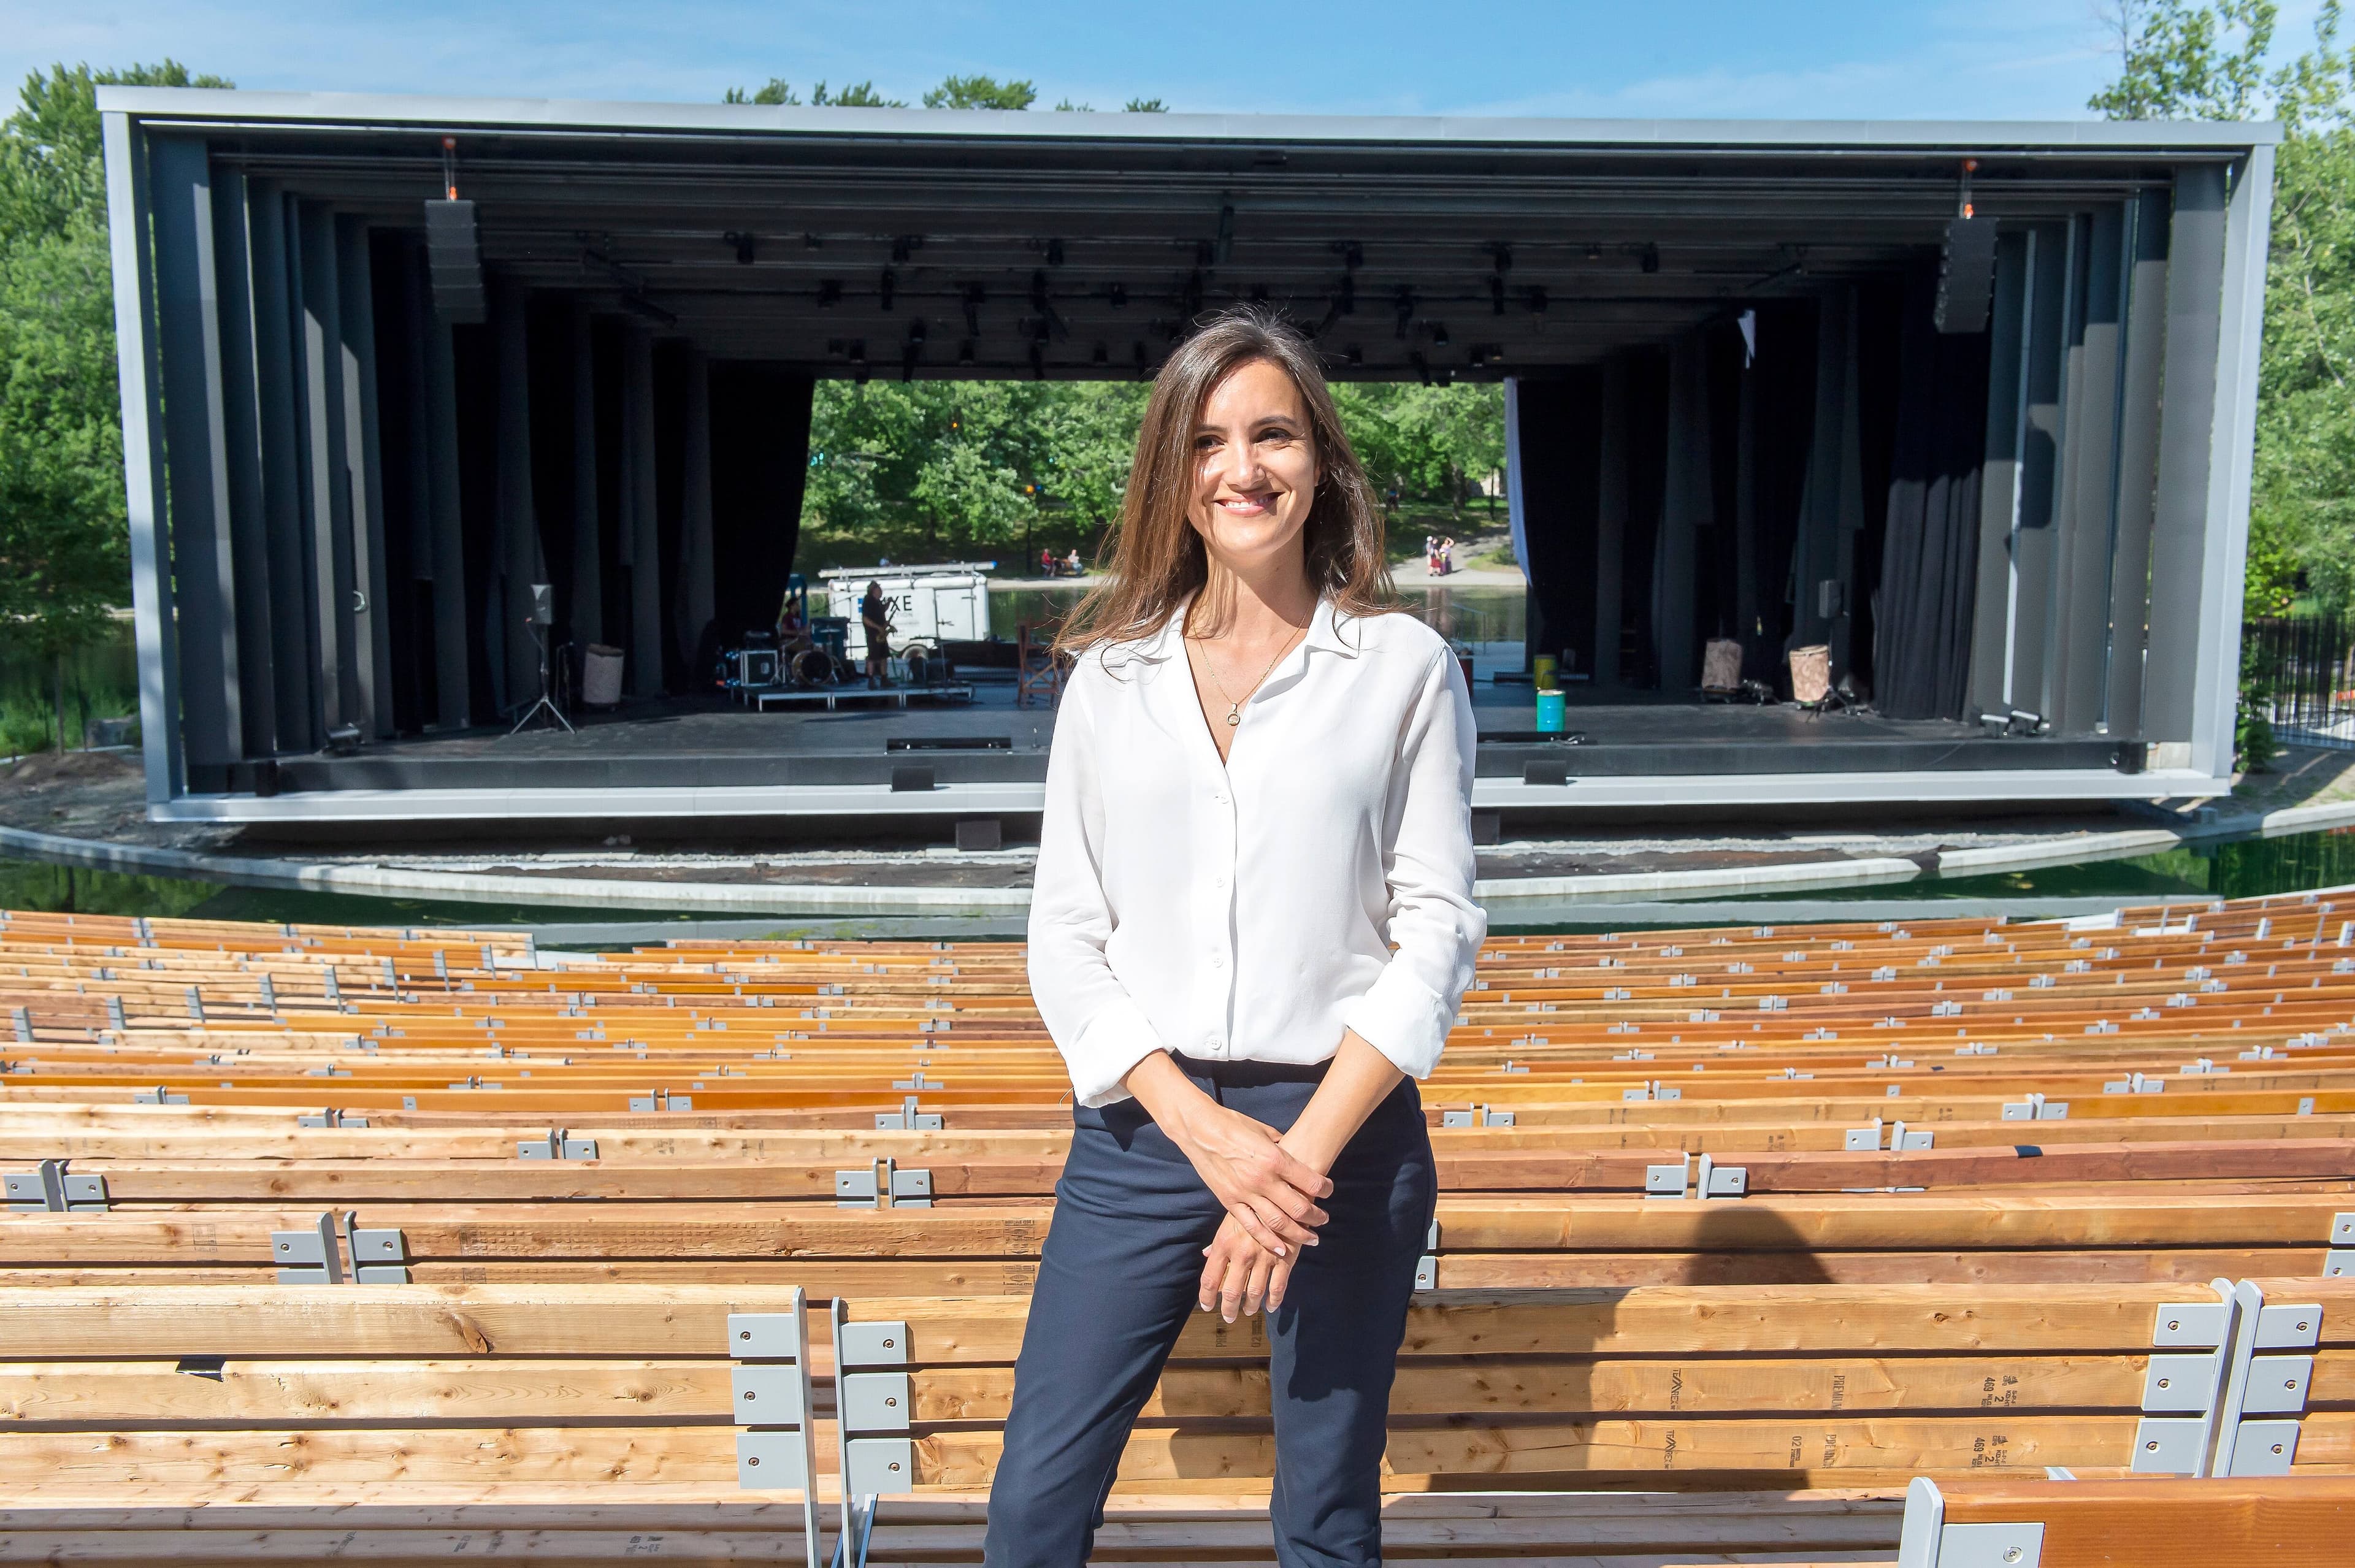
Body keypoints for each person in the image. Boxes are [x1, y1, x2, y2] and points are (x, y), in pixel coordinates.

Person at [985, 307, 1484, 1568]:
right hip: (1144, 1135)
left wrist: (1292, 1169)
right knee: (1035, 1501)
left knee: (1325, 1509)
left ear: (1319, 456)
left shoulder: (1404, 666)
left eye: (1271, 434)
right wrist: (1208, 1136)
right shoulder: (1109, 681)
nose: (1241, 468)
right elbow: (1065, 935)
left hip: (1344, 1135)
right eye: (1208, 441)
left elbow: (1436, 931)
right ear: (1175, 470)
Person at [859, 581, 893, 689]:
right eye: (879, 590)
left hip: (882, 633)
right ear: (874, 590)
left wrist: (889, 603)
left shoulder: (877, 602)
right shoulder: (868, 601)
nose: (881, 592)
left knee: (884, 656)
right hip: (873, 634)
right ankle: (871, 679)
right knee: (873, 656)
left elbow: (882, 610)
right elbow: (865, 619)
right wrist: (878, 628)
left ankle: (884, 678)